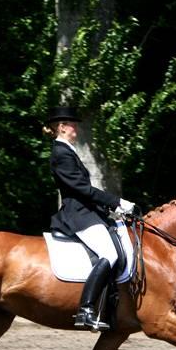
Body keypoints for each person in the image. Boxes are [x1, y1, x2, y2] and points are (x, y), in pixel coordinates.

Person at [43, 106, 136, 331]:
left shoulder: (67, 150)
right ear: (62, 127)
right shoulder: (61, 153)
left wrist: (110, 211)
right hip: (77, 215)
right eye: (73, 125)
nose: (76, 128)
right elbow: (81, 188)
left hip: (87, 211)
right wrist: (116, 202)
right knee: (109, 253)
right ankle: (86, 309)